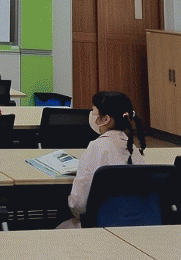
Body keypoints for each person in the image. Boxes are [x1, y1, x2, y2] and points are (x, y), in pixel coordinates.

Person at [58, 91, 146, 229]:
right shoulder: (134, 150)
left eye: (93, 111)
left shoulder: (96, 147)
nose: (91, 115)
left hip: (98, 226)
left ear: (105, 119)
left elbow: (78, 203)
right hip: (135, 225)